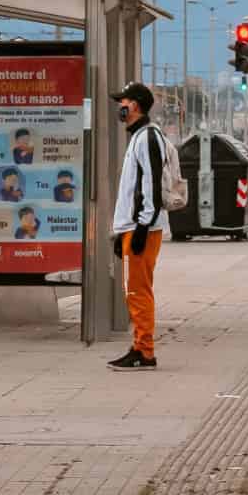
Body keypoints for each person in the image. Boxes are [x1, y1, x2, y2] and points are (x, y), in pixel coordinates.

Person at [108, 82, 171, 371]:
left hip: (142, 227)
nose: (119, 107)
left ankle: (145, 351)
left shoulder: (147, 138)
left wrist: (143, 226)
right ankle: (139, 346)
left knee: (138, 291)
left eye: (122, 101)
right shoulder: (138, 137)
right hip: (132, 226)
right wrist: (120, 231)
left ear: (135, 105)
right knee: (134, 289)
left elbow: (151, 184)